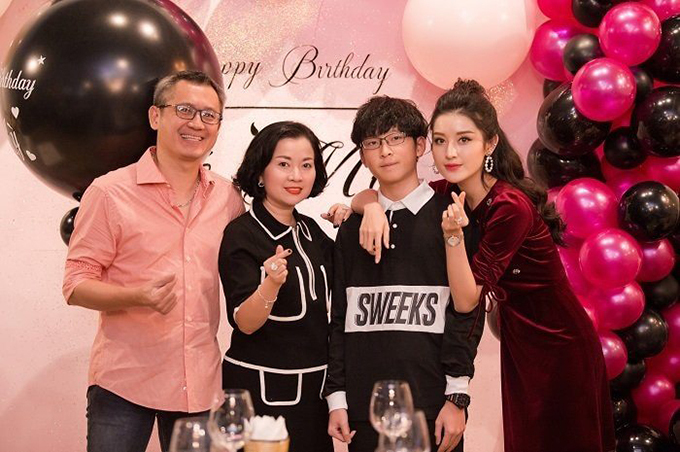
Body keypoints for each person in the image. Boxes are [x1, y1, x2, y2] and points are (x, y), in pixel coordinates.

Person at [354, 80, 616, 452]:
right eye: (440, 140)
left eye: (464, 140)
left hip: (559, 341)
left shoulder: (509, 206)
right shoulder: (449, 191)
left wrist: (453, 237)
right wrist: (370, 207)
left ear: (489, 143)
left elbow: (466, 300)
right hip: (519, 337)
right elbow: (383, 193)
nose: (450, 152)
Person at [62, 70, 245, 452]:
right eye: (185, 110)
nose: (197, 123)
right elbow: (76, 285)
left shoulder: (228, 198)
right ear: (155, 116)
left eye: (209, 115)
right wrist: (136, 296)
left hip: (199, 383)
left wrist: (358, 207)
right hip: (124, 383)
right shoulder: (110, 192)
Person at [325, 96, 483, 452]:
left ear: (420, 146)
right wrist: (337, 397)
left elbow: (465, 314)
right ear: (362, 155)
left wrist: (457, 396)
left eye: (396, 138)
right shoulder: (351, 229)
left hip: (433, 406)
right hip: (364, 409)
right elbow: (339, 317)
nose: (385, 151)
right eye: (373, 143)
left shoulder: (451, 217)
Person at [218, 121, 334, 452]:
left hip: (315, 392)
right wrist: (270, 284)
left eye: (306, 165)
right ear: (260, 172)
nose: (296, 176)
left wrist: (362, 207)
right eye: (283, 164)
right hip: (258, 391)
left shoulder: (311, 231)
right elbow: (244, 322)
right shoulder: (242, 234)